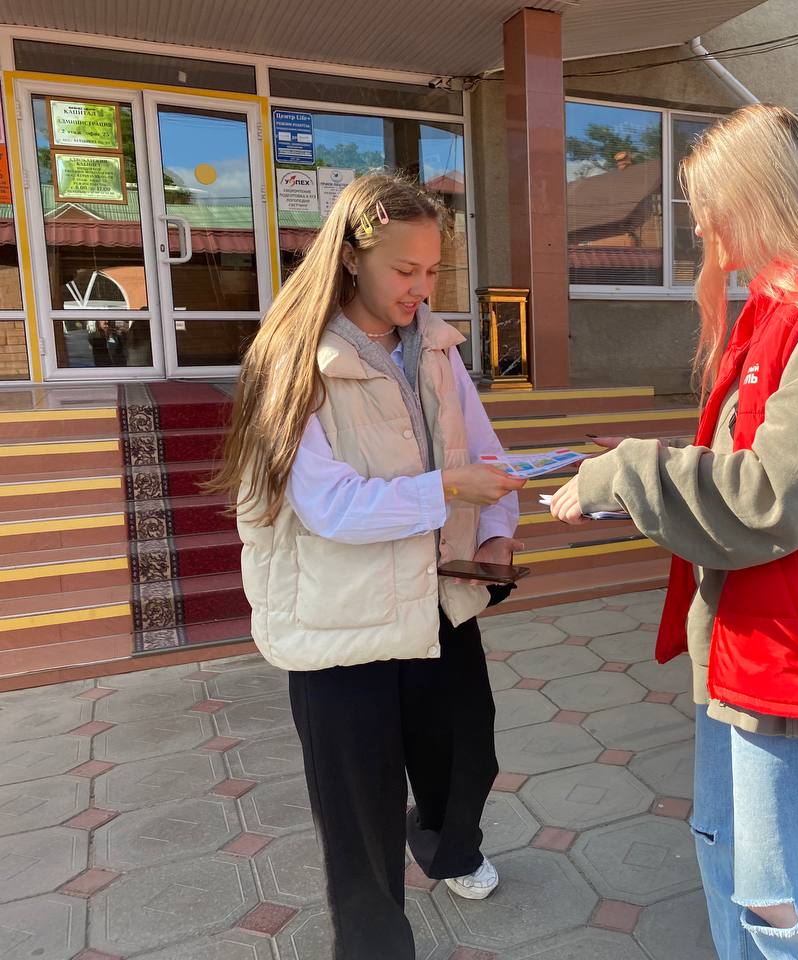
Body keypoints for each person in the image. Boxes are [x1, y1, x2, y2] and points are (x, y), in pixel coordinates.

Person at [549, 104, 798, 960]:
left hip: (793, 656)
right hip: (750, 644)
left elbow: (772, 493)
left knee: (781, 902)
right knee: (729, 853)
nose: (698, 224)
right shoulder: (781, 307)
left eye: (707, 202)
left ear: (760, 195)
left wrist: (627, 472)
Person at [209, 172, 525, 959]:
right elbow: (330, 507)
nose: (421, 288)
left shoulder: (436, 347)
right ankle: (374, 945)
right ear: (351, 258)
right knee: (360, 815)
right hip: (340, 623)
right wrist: (446, 489)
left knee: (467, 757)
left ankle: (449, 847)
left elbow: (485, 452)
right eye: (404, 270)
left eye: (433, 271)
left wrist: (494, 533)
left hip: (439, 599)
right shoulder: (294, 361)